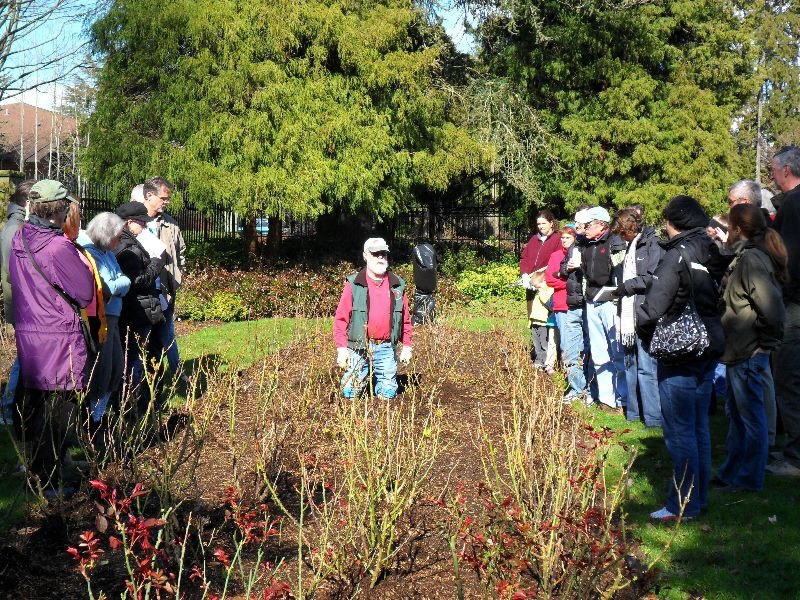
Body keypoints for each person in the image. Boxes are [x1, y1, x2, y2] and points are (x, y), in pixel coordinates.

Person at [637, 195, 728, 521]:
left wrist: (642, 328)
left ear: (675, 222)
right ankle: (698, 499)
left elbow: (654, 307)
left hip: (681, 350)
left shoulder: (676, 254)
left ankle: (682, 505)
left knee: (680, 432)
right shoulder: (709, 249)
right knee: (698, 427)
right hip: (708, 345)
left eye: (666, 220)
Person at [9, 179, 95, 496]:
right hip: (58, 338)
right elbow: (85, 293)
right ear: (60, 209)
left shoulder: (21, 238)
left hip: (31, 335)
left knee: (36, 408)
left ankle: (37, 467)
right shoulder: (59, 247)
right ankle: (49, 482)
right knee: (58, 415)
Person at [715, 203, 786, 492]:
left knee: (751, 419)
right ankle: (731, 472)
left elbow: (772, 308)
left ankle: (748, 480)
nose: (726, 232)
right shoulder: (743, 258)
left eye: (729, 227)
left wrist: (766, 345)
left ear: (738, 229)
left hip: (748, 351)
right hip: (737, 350)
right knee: (738, 418)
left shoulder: (752, 260)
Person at [334, 238, 413, 399]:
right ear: (365, 255)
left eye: (383, 253)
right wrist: (342, 349)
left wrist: (407, 346)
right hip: (358, 347)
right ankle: (363, 375)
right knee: (350, 393)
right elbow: (341, 318)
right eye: (375, 253)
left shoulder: (397, 285)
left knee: (388, 393)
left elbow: (405, 319)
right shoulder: (354, 284)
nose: (380, 257)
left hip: (384, 346)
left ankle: (380, 377)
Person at [565, 206, 627, 409]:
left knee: (617, 352)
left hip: (611, 301)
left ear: (601, 224)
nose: (584, 229)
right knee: (599, 354)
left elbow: (621, 268)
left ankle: (623, 399)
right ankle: (607, 400)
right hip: (591, 301)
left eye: (588, 225)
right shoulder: (584, 243)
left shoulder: (614, 241)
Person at [611, 208, 663, 428]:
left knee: (646, 368)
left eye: (622, 233)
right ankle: (633, 413)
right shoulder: (631, 245)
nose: (621, 238)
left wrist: (625, 287)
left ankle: (653, 418)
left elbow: (651, 278)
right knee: (630, 364)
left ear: (629, 228)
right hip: (627, 314)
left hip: (642, 313)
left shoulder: (652, 244)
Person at [78, 213, 131, 427]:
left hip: (114, 317)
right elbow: (109, 286)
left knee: (116, 366)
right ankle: (93, 418)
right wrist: (121, 282)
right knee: (104, 368)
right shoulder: (92, 254)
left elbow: (122, 281)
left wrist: (120, 282)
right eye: (117, 236)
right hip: (103, 318)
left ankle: (99, 414)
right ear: (106, 235)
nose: (119, 241)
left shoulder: (108, 254)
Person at [114, 201, 166, 415]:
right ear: (129, 223)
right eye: (141, 223)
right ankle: (133, 404)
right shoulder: (127, 247)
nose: (144, 226)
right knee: (133, 359)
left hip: (136, 309)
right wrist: (156, 263)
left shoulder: (125, 241)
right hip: (138, 310)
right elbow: (138, 281)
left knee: (133, 357)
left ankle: (134, 403)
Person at [768, 145, 800, 477]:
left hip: (795, 305)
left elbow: (789, 258)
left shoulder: (793, 204)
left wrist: (784, 292)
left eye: (774, 171)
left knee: (788, 376)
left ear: (786, 171)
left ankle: (796, 456)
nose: (772, 178)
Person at [134, 177, 186, 378]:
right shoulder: (133, 222)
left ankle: (155, 389)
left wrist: (176, 280)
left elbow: (180, 253)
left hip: (165, 293)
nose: (167, 201)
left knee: (159, 343)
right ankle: (134, 391)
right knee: (138, 346)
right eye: (163, 198)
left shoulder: (170, 224)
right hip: (141, 296)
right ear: (149, 195)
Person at [0, 179, 34, 425]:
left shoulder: (17, 224)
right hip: (22, 302)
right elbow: (14, 271)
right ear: (30, 202)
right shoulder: (16, 228)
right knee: (24, 358)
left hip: (23, 301)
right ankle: (7, 407)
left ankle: (12, 406)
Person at [547, 225, 587, 401]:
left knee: (581, 347)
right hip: (561, 306)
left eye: (568, 238)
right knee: (567, 347)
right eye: (562, 238)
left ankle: (582, 386)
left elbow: (581, 280)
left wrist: (562, 278)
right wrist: (568, 282)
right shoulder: (556, 256)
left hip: (579, 305)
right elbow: (550, 279)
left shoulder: (579, 253)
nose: (564, 241)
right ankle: (577, 386)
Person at [520, 210, 561, 364]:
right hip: (531, 285)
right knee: (533, 319)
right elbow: (524, 258)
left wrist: (542, 279)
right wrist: (525, 274)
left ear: (551, 223)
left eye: (544, 223)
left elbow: (555, 261)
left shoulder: (557, 239)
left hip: (546, 285)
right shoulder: (533, 240)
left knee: (544, 320)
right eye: (538, 224)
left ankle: (548, 357)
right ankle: (538, 355)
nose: (541, 226)